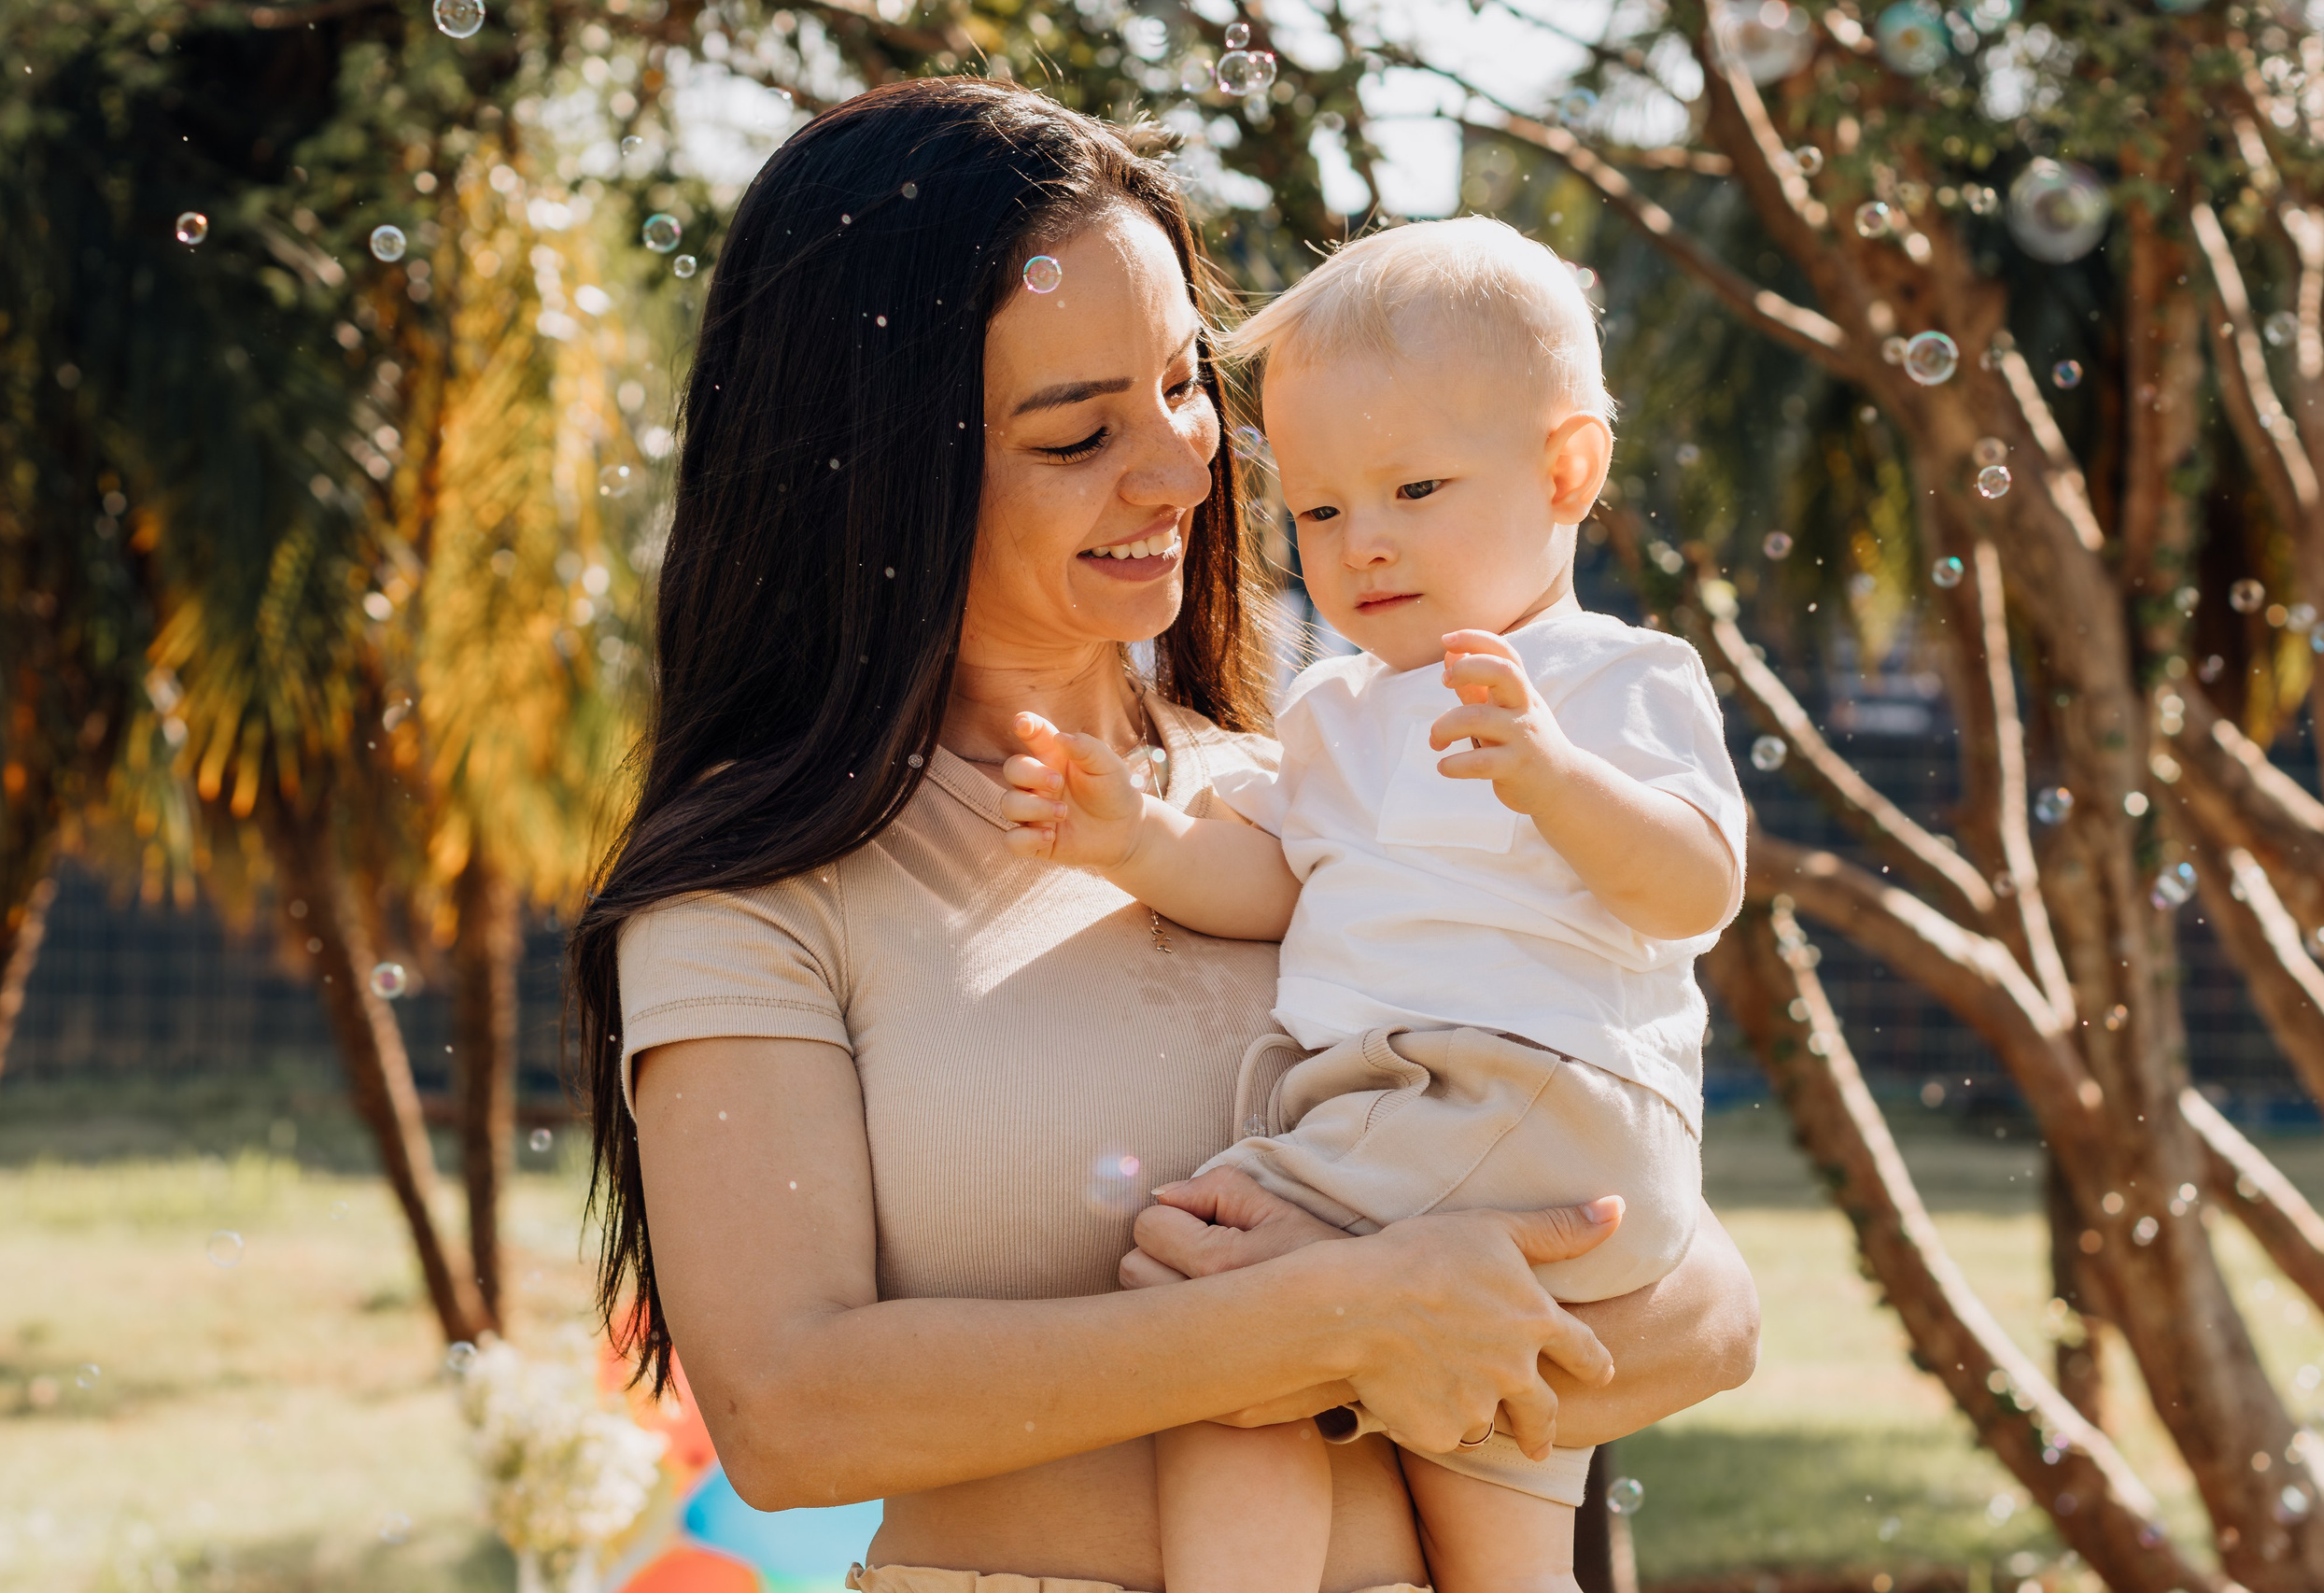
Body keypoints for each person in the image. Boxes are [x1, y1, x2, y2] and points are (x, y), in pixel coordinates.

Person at [569, 78, 1761, 1593]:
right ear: (879, 467)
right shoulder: (760, 890)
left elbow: (1711, 1311)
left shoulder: (1336, 792)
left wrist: (1422, 1311)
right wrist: (1328, 1317)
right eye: (1080, 432)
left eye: (1186, 385)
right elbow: (790, 1413)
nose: (1183, 468)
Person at [999, 217, 1740, 1593]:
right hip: (1479, 1131)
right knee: (1496, 1503)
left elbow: (1695, 887)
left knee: (1214, 1313)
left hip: (1516, 1091)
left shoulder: (1605, 676)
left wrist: (1557, 780)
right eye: (1324, 512)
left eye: (1415, 489)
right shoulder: (1337, 707)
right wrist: (1141, 843)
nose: (1365, 546)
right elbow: (1283, 886)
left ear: (1567, 471)